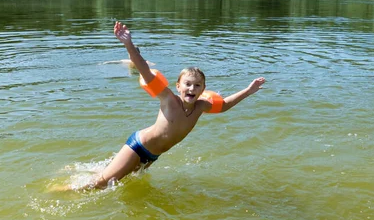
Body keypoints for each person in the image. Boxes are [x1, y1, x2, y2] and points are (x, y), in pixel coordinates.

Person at [83, 21, 266, 190]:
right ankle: (62, 191)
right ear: (178, 86)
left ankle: (90, 170)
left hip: (153, 156)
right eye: (187, 84)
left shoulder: (201, 106)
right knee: (100, 185)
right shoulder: (169, 99)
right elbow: (144, 71)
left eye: (197, 85)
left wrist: (248, 91)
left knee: (127, 182)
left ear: (203, 88)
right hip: (138, 147)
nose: (192, 88)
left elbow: (224, 104)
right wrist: (128, 43)